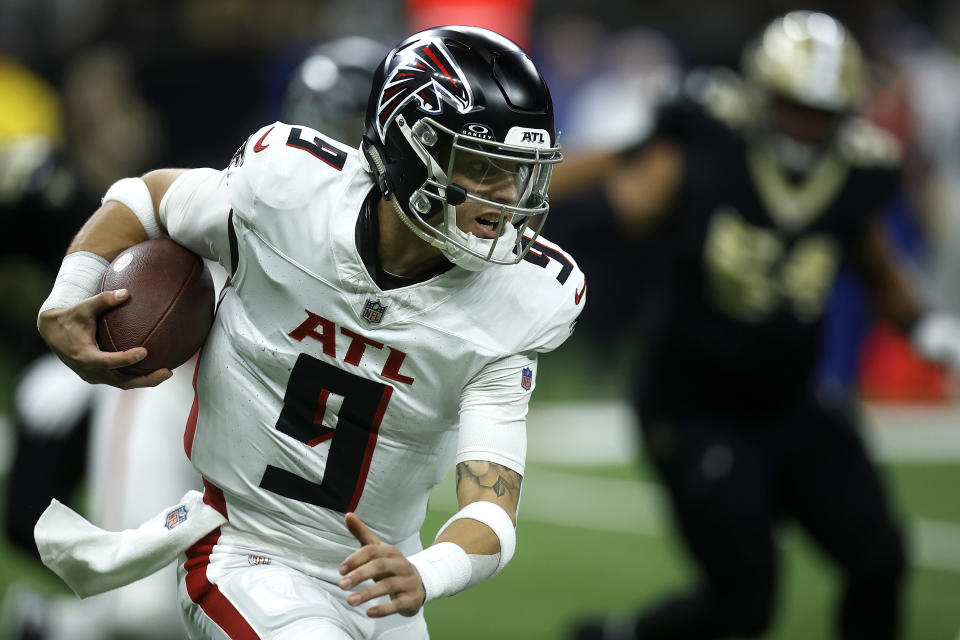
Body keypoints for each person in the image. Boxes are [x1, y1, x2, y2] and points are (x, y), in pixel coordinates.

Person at [35, 25, 581, 639]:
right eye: (483, 168)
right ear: (408, 148)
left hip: (377, 583)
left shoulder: (521, 301)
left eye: (520, 173)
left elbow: (492, 506)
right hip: (248, 550)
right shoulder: (290, 192)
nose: (507, 201)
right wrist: (70, 292)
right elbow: (148, 196)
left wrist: (427, 571)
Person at [560, 11, 960, 639]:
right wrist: (517, 192)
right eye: (794, 105)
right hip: (694, 406)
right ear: (761, 93)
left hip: (791, 402)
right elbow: (626, 196)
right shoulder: (706, 135)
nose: (806, 124)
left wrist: (930, 330)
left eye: (822, 110)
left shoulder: (860, 169)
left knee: (880, 558)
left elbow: (878, 268)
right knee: (745, 603)